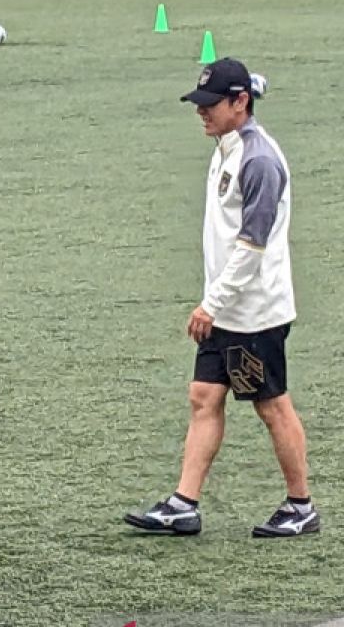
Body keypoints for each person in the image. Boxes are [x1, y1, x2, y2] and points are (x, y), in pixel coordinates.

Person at [124, 58, 319, 538]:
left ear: (241, 102)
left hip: (254, 313)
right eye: (200, 103)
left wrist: (213, 303)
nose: (202, 112)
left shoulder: (259, 161)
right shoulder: (227, 147)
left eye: (211, 104)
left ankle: (301, 506)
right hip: (226, 307)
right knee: (204, 396)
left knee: (271, 405)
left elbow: (253, 246)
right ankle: (183, 504)